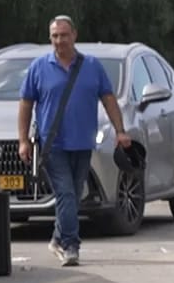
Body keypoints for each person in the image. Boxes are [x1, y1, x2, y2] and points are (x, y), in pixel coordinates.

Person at [18, 15, 132, 267]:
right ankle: (70, 244)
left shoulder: (91, 66)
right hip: (52, 144)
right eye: (55, 36)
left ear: (74, 35)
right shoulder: (39, 67)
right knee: (67, 193)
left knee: (72, 194)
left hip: (83, 142)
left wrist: (120, 131)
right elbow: (26, 104)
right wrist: (23, 140)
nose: (59, 40)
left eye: (64, 35)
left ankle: (58, 237)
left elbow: (109, 99)